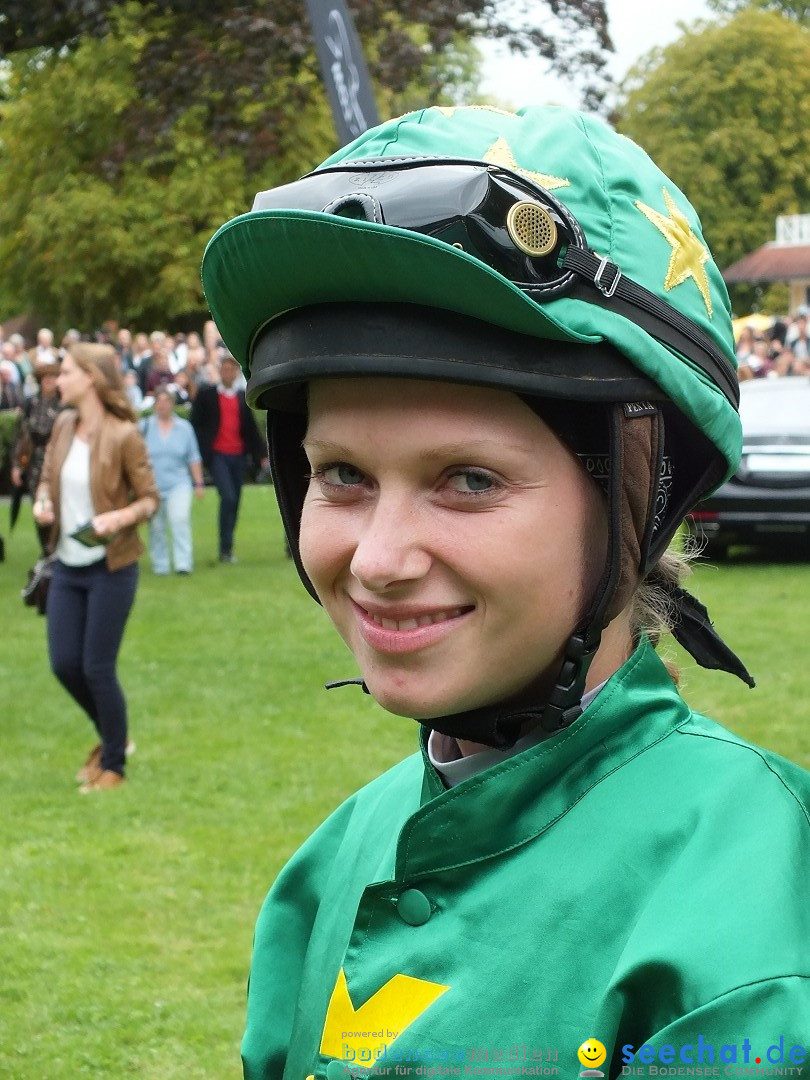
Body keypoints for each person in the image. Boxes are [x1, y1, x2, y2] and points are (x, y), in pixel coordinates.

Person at [201, 106, 810, 1073]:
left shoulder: (756, 915)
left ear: (640, 494)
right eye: (342, 475)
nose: (379, 558)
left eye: (468, 480)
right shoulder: (332, 863)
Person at [34, 343, 158, 792]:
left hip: (112, 567)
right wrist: (44, 504)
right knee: (65, 664)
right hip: (67, 564)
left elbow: (149, 498)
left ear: (90, 377)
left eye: (65, 372)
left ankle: (113, 767)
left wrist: (118, 517)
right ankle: (114, 738)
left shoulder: (124, 434)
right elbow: (47, 478)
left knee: (96, 668)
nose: (57, 380)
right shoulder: (65, 424)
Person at [190, 351, 267, 562]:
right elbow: (195, 424)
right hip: (218, 456)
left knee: (235, 501)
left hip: (238, 456)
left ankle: (228, 548)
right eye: (225, 368)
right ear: (219, 371)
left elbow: (250, 430)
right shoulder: (207, 395)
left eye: (232, 369)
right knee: (229, 497)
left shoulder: (242, 398)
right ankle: (224, 548)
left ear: (236, 373)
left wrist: (262, 454)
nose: (229, 373)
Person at [141, 386, 204, 575]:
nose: (163, 406)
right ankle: (160, 565)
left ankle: (183, 563)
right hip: (153, 484)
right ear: (154, 406)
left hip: (179, 483)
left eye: (166, 401)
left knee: (180, 520)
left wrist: (199, 483)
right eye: (159, 402)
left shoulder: (184, 428)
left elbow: (193, 458)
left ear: (173, 404)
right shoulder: (144, 426)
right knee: (156, 526)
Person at [11, 360, 61, 555]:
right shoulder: (30, 403)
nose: (49, 381)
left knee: (56, 506)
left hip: (56, 461)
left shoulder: (64, 404)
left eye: (53, 377)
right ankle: (46, 549)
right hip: (33, 463)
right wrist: (17, 465)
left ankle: (56, 547)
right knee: (38, 507)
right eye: (46, 378)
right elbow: (20, 436)